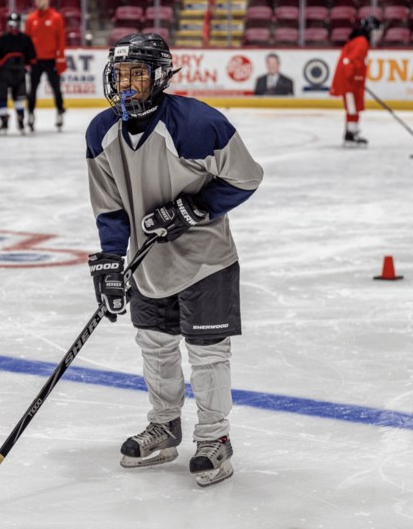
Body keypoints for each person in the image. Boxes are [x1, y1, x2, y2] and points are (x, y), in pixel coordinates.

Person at [85, 33, 263, 487]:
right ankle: (165, 425)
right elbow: (110, 207)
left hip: (206, 260)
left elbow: (246, 177)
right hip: (148, 263)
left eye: (138, 75)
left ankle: (214, 438)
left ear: (159, 77)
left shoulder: (198, 124)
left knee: (206, 354)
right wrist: (109, 260)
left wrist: (195, 208)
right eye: (121, 74)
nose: (127, 84)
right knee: (155, 346)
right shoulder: (100, 133)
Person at [329, 16, 381, 146]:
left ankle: (351, 133)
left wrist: (358, 79)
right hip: (350, 82)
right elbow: (349, 63)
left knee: (354, 107)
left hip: (352, 81)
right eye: (375, 31)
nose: (377, 35)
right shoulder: (361, 42)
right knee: (352, 108)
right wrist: (355, 79)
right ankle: (350, 137)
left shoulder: (360, 40)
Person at [25, 0, 67, 132]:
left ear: (47, 0)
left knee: (56, 88)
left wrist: (60, 59)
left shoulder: (56, 18)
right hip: (36, 61)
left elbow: (60, 39)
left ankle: (60, 112)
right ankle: (30, 114)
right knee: (32, 90)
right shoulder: (31, 19)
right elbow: (27, 40)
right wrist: (27, 59)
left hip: (51, 60)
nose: (38, 2)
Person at [0, 12, 36, 135]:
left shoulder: (0, 39)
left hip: (5, 72)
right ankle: (20, 119)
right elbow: (32, 59)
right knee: (18, 98)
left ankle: (4, 120)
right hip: (19, 73)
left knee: (2, 97)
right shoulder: (26, 39)